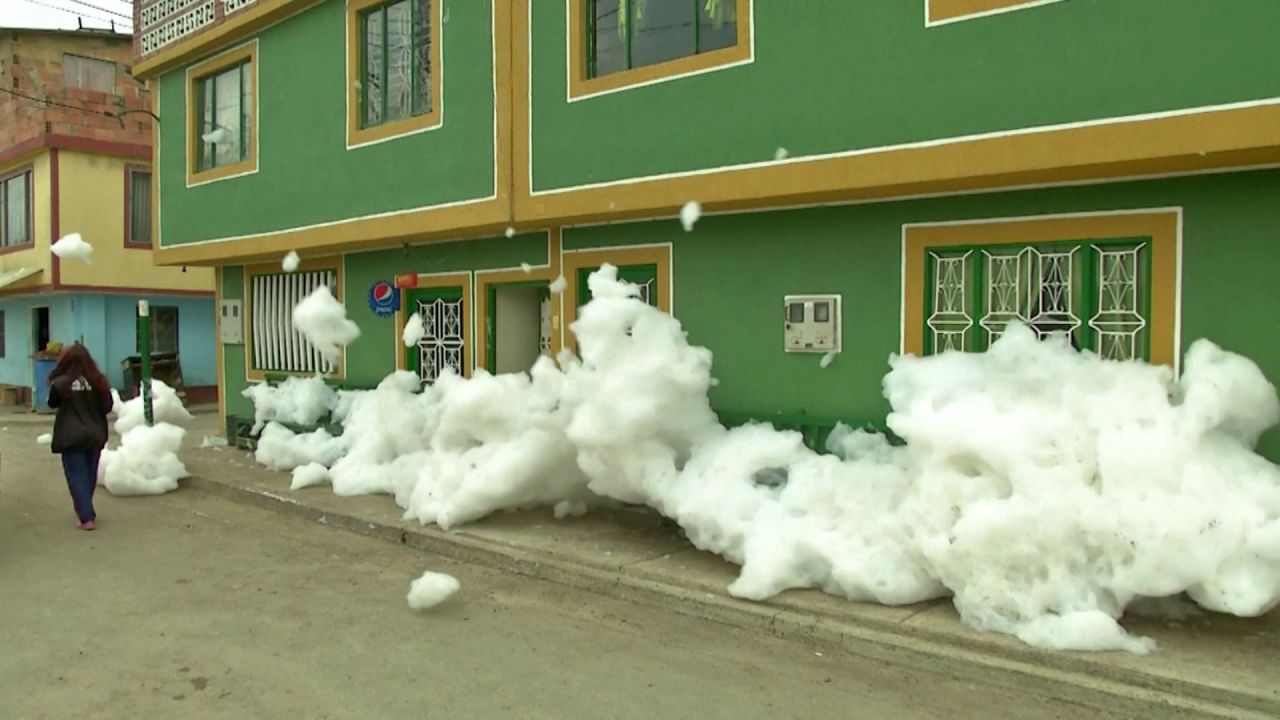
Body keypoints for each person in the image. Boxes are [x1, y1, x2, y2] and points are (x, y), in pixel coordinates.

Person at [47, 343, 114, 530]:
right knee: (89, 474)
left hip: (71, 436)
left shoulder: (61, 383)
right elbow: (108, 406)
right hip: (95, 434)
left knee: (77, 476)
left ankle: (86, 517)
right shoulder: (99, 381)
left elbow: (52, 403)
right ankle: (86, 510)